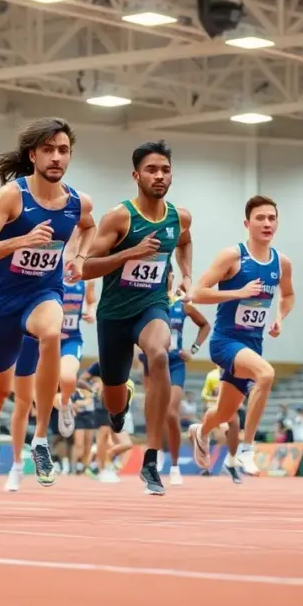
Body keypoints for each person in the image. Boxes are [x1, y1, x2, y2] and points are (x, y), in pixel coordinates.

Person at [0, 117, 96, 487]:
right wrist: (19, 241)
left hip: (44, 293)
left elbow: (90, 226)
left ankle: (40, 439)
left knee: (52, 333)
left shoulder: (76, 202)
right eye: (48, 150)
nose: (57, 157)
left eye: (63, 150)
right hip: (3, 302)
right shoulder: (12, 196)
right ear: (32, 155)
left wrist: (81, 258)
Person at [82, 141, 192, 495]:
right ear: (136, 175)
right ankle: (120, 406)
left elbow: (185, 241)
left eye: (165, 170)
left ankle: (150, 458)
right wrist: (132, 252)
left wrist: (187, 274)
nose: (159, 176)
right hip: (114, 314)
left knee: (158, 354)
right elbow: (85, 268)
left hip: (152, 305)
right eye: (151, 170)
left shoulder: (179, 217)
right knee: (113, 398)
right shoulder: (119, 217)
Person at [187, 195, 296, 476]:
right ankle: (248, 449)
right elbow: (197, 293)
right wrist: (239, 292)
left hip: (252, 344)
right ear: (247, 224)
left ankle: (201, 430)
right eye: (260, 218)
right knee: (267, 375)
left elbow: (289, 295)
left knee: (223, 414)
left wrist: (279, 318)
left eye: (272, 218)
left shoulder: (281, 262)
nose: (267, 223)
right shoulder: (232, 256)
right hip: (225, 342)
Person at [3, 243, 97, 489]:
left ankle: (65, 403)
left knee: (68, 379)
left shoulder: (84, 275)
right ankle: (16, 466)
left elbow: (91, 302)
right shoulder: (41, 273)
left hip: (68, 340)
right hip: (33, 339)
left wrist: (90, 310)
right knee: (23, 404)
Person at [137, 274, 210, 486]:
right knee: (152, 413)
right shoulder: (146, 300)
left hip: (175, 361)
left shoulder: (181, 303)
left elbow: (205, 325)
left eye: (166, 275)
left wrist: (193, 349)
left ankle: (176, 466)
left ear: (170, 277)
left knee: (170, 412)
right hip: (151, 361)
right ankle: (155, 453)